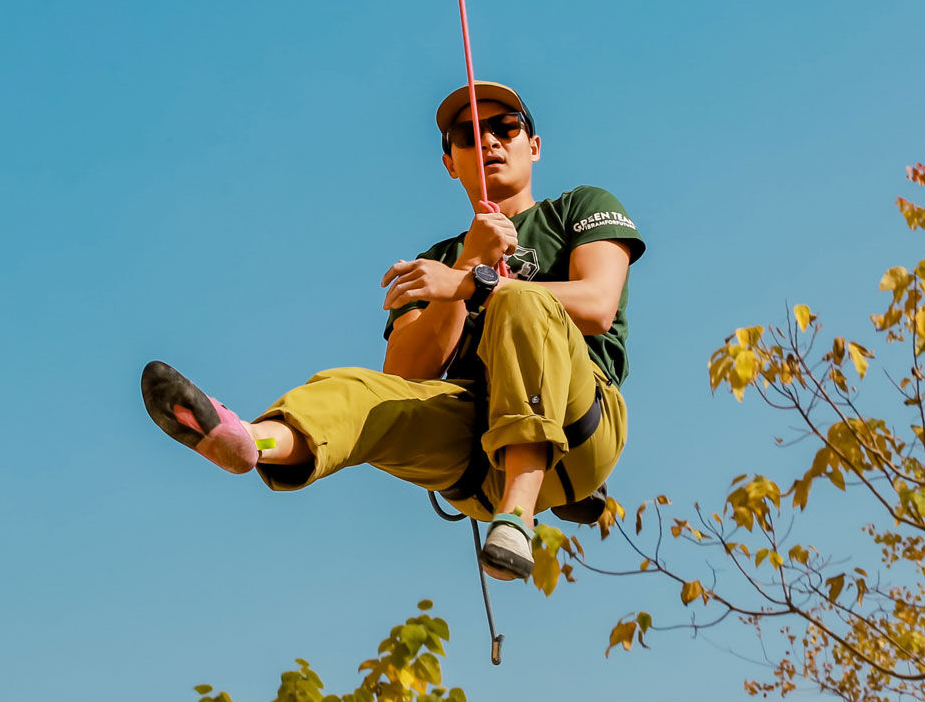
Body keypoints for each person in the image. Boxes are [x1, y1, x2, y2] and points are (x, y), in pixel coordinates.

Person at [141, 80, 643, 582]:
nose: (487, 140)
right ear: (450, 163)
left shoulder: (578, 208)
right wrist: (468, 261)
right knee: (360, 392)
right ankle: (249, 440)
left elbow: (598, 304)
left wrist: (472, 285)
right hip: (473, 452)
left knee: (522, 301)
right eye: (466, 135)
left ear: (532, 145)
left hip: (580, 429)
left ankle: (519, 516)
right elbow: (405, 375)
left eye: (504, 128)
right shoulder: (436, 263)